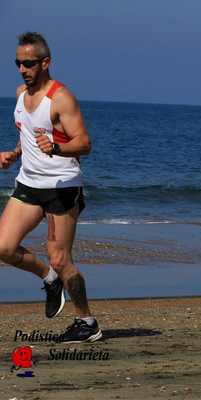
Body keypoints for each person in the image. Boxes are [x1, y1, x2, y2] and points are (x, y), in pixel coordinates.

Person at [0, 32, 102, 342]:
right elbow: (30, 133)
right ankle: (49, 278)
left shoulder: (61, 98)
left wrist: (56, 149)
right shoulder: (20, 93)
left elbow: (84, 143)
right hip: (29, 182)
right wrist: (14, 154)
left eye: (28, 63)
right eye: (18, 63)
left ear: (46, 62)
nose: (22, 69)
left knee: (60, 258)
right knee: (3, 247)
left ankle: (87, 321)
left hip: (62, 188)